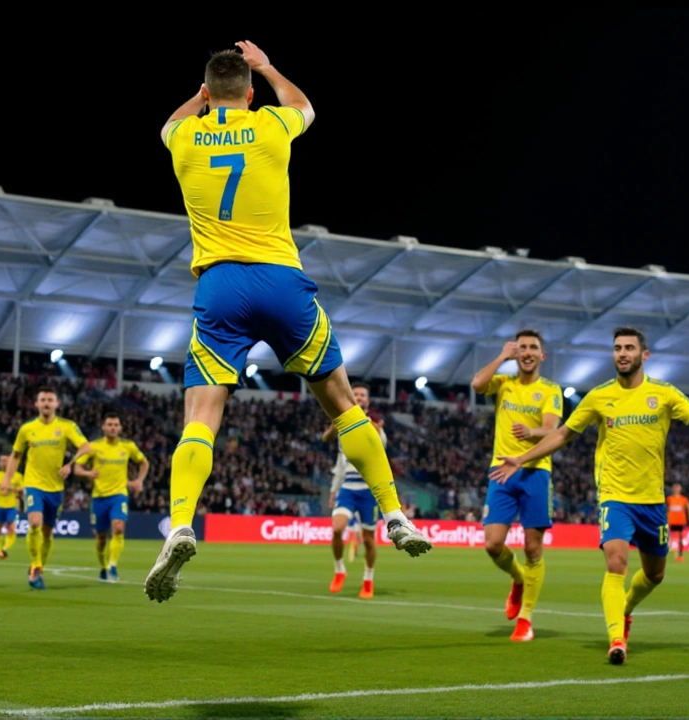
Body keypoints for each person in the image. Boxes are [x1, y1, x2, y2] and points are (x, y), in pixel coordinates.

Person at [147, 40, 430, 602]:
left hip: (220, 285)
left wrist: (203, 96)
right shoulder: (271, 124)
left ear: (206, 93)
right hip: (281, 281)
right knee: (345, 404)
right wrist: (268, 67)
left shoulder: (183, 136)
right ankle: (395, 514)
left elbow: (170, 121)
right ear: (250, 94)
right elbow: (306, 107)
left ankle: (181, 523)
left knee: (201, 418)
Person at [490, 327, 689, 664]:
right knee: (616, 562)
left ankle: (626, 608)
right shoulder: (599, 397)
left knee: (655, 574)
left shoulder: (663, 394)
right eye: (617, 348)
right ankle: (617, 640)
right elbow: (561, 435)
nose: (622, 353)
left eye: (629, 348)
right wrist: (521, 458)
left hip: (652, 502)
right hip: (615, 497)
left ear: (643, 355)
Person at [469, 330, 563, 643]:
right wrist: (500, 357)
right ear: (515, 352)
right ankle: (518, 578)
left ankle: (525, 620)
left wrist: (531, 432)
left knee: (532, 548)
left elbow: (551, 429)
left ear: (542, 355)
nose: (527, 352)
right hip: (501, 471)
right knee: (493, 544)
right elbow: (477, 384)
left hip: (535, 471)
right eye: (521, 347)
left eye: (533, 347)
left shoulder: (550, 390)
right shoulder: (504, 383)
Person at [3, 386, 92, 590]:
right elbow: (16, 455)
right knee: (34, 523)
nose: (46, 403)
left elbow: (86, 447)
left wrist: (71, 464)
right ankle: (35, 565)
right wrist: (8, 479)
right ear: (36, 404)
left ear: (57, 404)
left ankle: (39, 566)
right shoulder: (26, 429)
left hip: (55, 487)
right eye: (42, 400)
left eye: (50, 400)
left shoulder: (67, 426)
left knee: (47, 532)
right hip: (33, 484)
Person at [323, 381, 385, 599]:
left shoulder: (372, 422)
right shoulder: (344, 421)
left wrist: (377, 430)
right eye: (356, 393)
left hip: (368, 491)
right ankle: (339, 570)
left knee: (369, 539)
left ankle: (368, 579)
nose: (359, 397)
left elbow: (382, 447)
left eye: (362, 395)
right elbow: (327, 441)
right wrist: (334, 489)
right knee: (337, 529)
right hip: (348, 487)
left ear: (367, 400)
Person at [73, 411, 149, 583]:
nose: (113, 428)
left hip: (119, 495)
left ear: (120, 428)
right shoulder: (94, 446)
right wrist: (88, 473)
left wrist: (139, 480)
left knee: (119, 528)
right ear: (103, 427)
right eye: (110, 425)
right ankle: (103, 565)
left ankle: (113, 566)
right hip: (99, 497)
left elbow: (144, 462)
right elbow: (77, 468)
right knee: (100, 538)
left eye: (116, 425)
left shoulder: (128, 446)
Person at [0, 455, 24, 560]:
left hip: (12, 507)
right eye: (1, 461)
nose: (3, 463)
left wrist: (10, 489)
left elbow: (22, 490)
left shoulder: (18, 476)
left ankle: (5, 549)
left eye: (6, 461)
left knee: (11, 528)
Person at [667, 483, 689, 562]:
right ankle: (666, 554)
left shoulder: (684, 499)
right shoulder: (669, 499)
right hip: (671, 521)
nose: (676, 489)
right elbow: (667, 509)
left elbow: (688, 507)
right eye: (675, 488)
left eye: (677, 488)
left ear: (680, 490)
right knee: (669, 538)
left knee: (681, 539)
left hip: (680, 521)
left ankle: (680, 555)